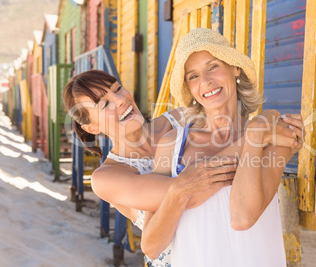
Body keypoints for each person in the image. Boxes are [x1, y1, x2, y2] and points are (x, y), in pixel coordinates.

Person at [140, 28, 305, 266]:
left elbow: (242, 218)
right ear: (189, 88)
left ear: (234, 68)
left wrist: (256, 133)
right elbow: (152, 246)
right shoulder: (172, 145)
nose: (205, 81)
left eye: (212, 66)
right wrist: (181, 189)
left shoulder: (272, 136)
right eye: (193, 76)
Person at [62, 69, 238, 266]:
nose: (121, 100)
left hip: (230, 244)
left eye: (118, 89)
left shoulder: (180, 119)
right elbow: (187, 188)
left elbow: (234, 128)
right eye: (105, 104)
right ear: (92, 128)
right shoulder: (107, 177)